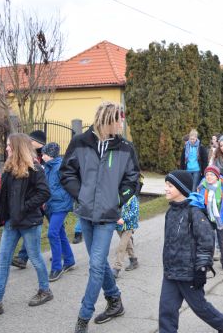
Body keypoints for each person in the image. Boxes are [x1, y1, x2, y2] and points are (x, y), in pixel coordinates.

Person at [60, 101, 141, 333]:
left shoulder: (125, 147)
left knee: (95, 265)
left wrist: (118, 199)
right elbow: (66, 172)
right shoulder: (80, 142)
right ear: (107, 120)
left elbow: (133, 179)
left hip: (108, 216)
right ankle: (115, 300)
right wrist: (82, 195)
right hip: (85, 214)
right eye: (119, 119)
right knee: (99, 263)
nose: (122, 123)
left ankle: (83, 317)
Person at [0, 133, 53, 315]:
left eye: (9, 145)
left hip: (29, 222)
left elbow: (44, 193)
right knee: (3, 261)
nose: (6, 148)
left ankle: (45, 290)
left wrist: (23, 207)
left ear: (18, 147)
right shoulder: (8, 169)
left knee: (35, 258)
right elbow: (5, 196)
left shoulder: (35, 168)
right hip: (11, 222)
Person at [159, 170, 223, 333]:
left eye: (170, 186)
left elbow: (206, 241)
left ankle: (222, 323)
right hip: (171, 272)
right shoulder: (170, 212)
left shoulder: (195, 212)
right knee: (166, 310)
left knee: (200, 307)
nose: (166, 189)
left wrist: (201, 268)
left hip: (189, 272)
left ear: (181, 188)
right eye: (166, 185)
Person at [11, 130, 48, 269]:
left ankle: (64, 255)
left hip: (45, 198)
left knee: (56, 230)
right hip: (35, 200)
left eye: (32, 140)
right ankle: (22, 258)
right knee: (32, 226)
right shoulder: (28, 156)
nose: (30, 143)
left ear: (40, 143)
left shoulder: (45, 156)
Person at [41, 142, 76, 282]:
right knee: (60, 232)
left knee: (52, 232)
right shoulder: (47, 168)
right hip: (51, 205)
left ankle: (56, 267)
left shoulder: (61, 167)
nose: (41, 156)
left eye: (43, 154)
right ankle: (69, 260)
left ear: (50, 155)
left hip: (61, 205)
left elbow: (69, 185)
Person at [197, 165, 223, 270]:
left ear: (217, 177)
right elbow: (199, 204)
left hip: (221, 220)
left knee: (222, 241)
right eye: (207, 175)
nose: (209, 177)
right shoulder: (202, 187)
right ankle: (208, 264)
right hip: (207, 219)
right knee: (209, 242)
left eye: (212, 175)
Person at [112, 194, 140, 278]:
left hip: (129, 226)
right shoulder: (114, 195)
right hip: (118, 225)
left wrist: (124, 219)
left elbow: (135, 211)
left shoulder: (132, 197)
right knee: (127, 243)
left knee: (122, 246)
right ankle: (133, 260)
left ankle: (116, 268)